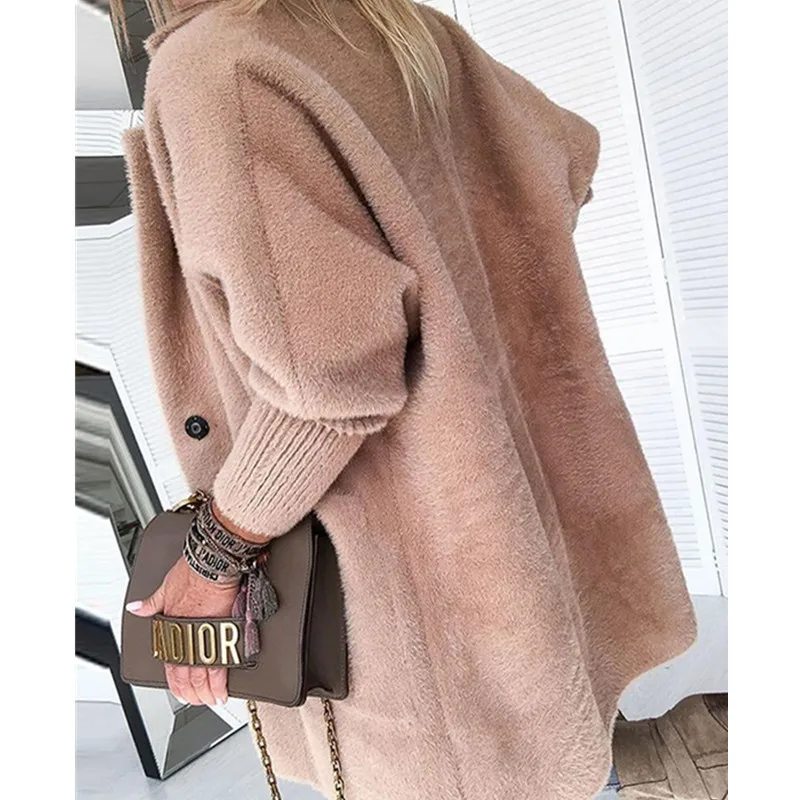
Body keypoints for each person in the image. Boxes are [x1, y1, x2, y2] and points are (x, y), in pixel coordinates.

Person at [116, 1, 697, 798]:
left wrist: (214, 554)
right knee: (557, 752)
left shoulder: (216, 67)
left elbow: (326, 386)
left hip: (416, 601)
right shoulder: (393, 26)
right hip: (508, 540)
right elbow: (564, 154)